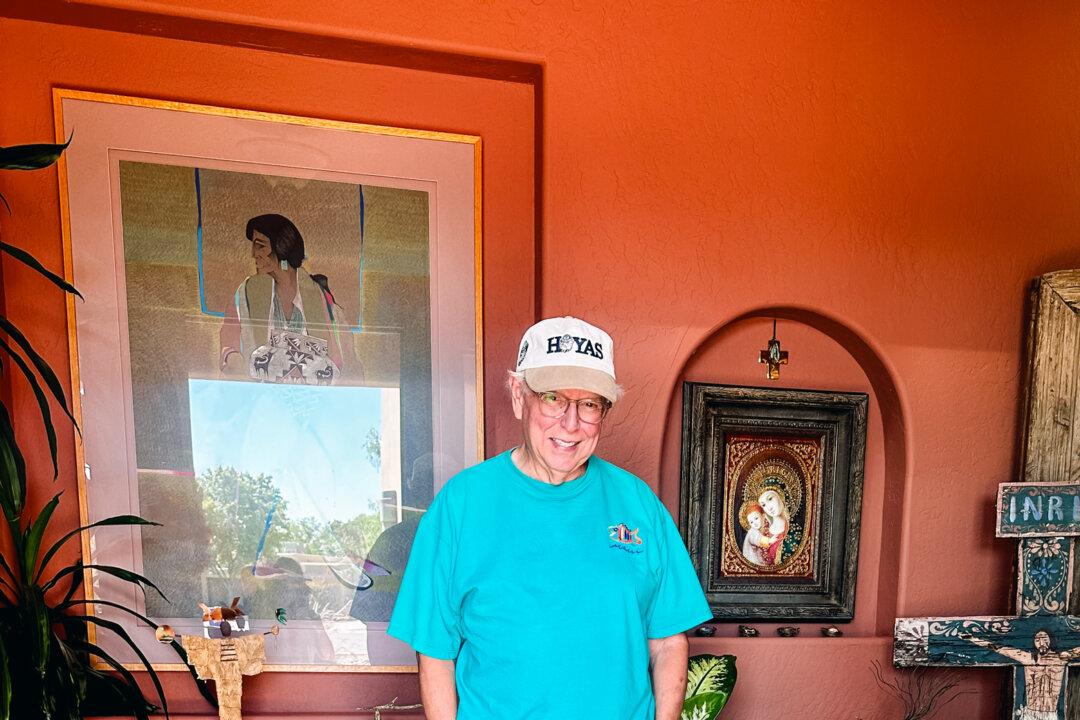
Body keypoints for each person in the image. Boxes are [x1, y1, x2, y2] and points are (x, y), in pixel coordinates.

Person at [388, 316, 711, 719]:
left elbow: (667, 641)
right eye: (553, 398)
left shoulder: (639, 504)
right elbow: (435, 650)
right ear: (519, 395)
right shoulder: (462, 504)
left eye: (589, 404)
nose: (571, 424)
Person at [218, 213, 351, 377]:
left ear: (281, 247)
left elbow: (338, 356)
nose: (254, 253)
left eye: (260, 246)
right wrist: (233, 358)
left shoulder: (320, 295)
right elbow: (228, 342)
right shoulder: (246, 292)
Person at [758, 488, 790, 565]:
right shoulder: (763, 533)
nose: (769, 508)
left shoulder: (793, 529)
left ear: (780, 497)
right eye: (764, 505)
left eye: (770, 499)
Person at [738, 500, 772, 566]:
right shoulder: (753, 532)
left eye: (756, 518)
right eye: (751, 522)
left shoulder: (762, 529)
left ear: (763, 516)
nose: (754, 523)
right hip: (754, 563)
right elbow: (765, 542)